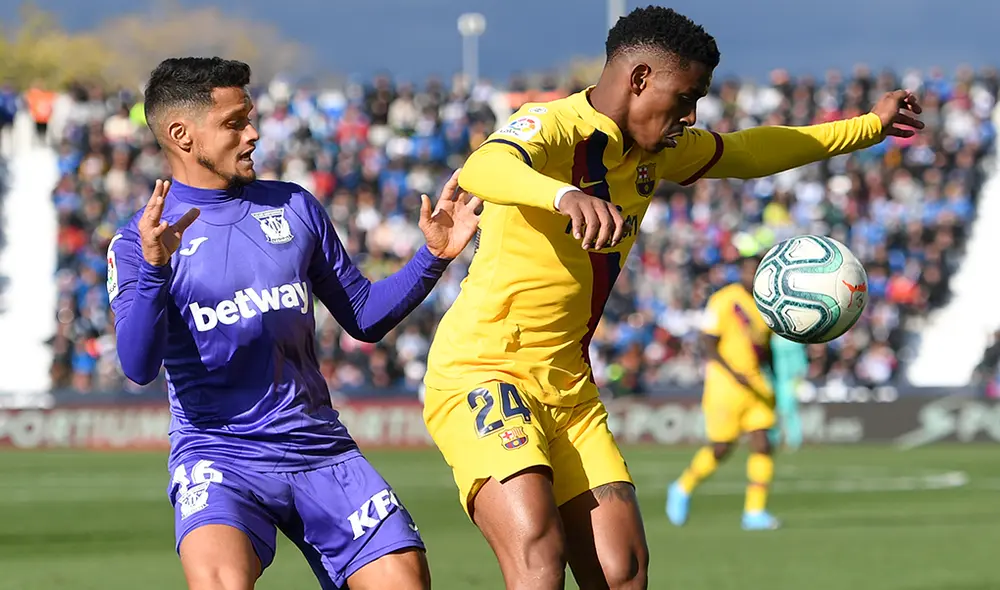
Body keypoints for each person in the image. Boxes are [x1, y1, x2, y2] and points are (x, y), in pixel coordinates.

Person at [422, 5, 922, 588]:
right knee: (538, 552)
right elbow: (485, 167)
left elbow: (751, 152)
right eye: (686, 97)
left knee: (623, 570)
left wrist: (868, 126)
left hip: (568, 389)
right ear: (639, 79)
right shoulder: (553, 127)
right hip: (482, 371)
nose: (691, 115)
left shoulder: (656, 151)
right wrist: (563, 197)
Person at [107, 57, 482, 590]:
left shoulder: (293, 206)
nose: (254, 133)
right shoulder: (139, 241)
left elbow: (365, 317)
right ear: (181, 135)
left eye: (251, 118)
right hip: (220, 454)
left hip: (321, 450)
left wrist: (433, 257)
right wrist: (153, 269)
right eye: (235, 123)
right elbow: (138, 366)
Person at [666, 255, 780, 530]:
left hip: (755, 386)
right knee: (721, 448)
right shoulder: (724, 300)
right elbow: (707, 342)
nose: (752, 276)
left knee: (763, 442)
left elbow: (766, 348)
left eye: (757, 271)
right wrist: (734, 373)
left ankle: (754, 512)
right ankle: (683, 487)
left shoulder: (768, 306)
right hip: (725, 386)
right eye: (748, 270)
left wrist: (773, 378)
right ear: (740, 272)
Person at [769, 332, 809, 451]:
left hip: (788, 380)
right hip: (776, 378)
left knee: (789, 410)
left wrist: (798, 379)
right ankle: (775, 439)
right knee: (777, 410)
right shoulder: (777, 338)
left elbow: (800, 363)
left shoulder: (790, 340)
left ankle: (793, 440)